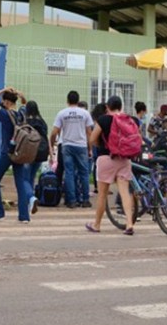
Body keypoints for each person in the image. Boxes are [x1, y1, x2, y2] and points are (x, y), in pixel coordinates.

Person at [84, 96, 136, 235]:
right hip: (124, 159)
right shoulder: (128, 119)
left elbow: (92, 139)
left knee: (102, 194)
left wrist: (100, 145)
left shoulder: (103, 119)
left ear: (108, 107)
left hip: (106, 158)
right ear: (121, 106)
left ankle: (97, 224)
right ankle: (129, 224)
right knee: (125, 192)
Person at [0, 86, 37, 223]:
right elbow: (25, 103)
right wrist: (21, 95)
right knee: (20, 183)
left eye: (3, 101)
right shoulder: (21, 113)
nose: (2, 103)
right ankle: (24, 216)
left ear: (7, 102)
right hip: (19, 152)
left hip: (7, 153)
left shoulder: (4, 114)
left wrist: (3, 90)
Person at [50, 91, 93, 208]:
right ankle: (85, 200)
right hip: (81, 146)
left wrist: (52, 141)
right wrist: (90, 149)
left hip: (67, 145)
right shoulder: (85, 113)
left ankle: (72, 200)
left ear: (67, 101)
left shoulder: (62, 113)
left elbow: (54, 132)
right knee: (84, 173)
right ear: (78, 101)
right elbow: (89, 133)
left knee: (69, 173)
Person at [24, 100, 49, 189]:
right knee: (32, 175)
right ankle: (31, 194)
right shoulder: (42, 122)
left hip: (29, 151)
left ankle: (29, 197)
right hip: (41, 152)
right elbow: (45, 135)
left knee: (25, 177)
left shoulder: (26, 122)